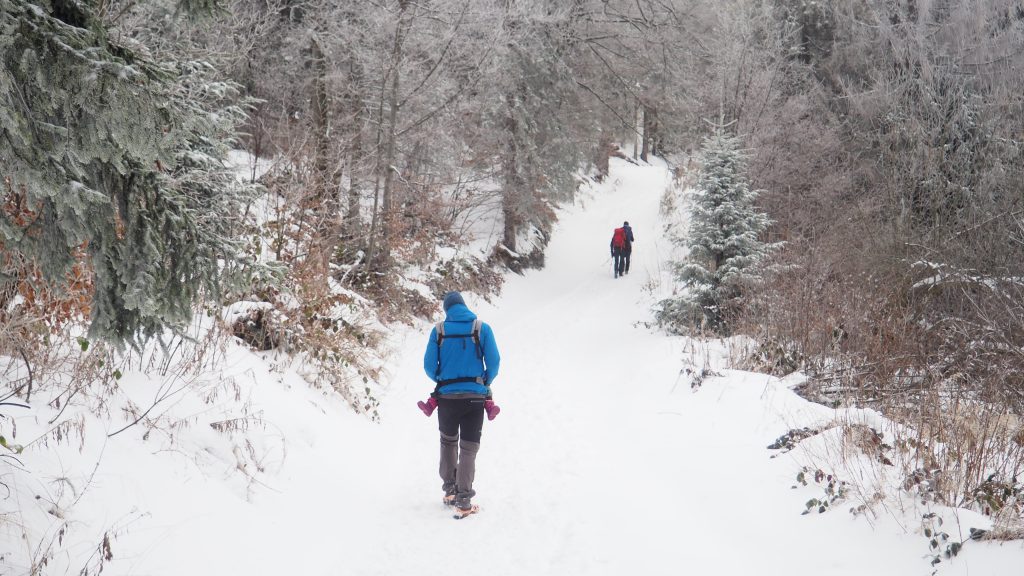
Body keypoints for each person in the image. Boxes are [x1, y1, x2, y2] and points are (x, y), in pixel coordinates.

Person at [421, 291, 500, 518]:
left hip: (446, 397)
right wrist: (484, 381)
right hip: (475, 397)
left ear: (447, 310)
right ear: (464, 306)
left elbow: (428, 365)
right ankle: (464, 501)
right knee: (468, 448)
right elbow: (494, 362)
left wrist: (443, 380)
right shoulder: (481, 328)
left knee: (447, 442)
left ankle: (449, 491)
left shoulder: (439, 331)